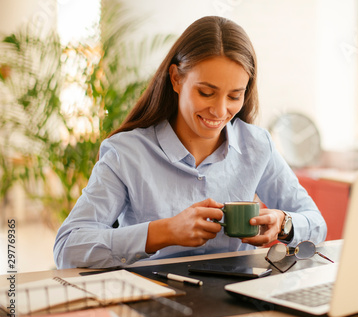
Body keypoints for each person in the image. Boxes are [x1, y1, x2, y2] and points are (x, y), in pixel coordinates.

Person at [53, 16, 327, 269]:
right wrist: (164, 232)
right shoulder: (127, 153)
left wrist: (284, 224)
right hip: (152, 304)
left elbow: (316, 223)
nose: (220, 112)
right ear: (176, 79)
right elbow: (67, 248)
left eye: (234, 96)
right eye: (206, 92)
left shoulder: (256, 145)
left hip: (236, 300)